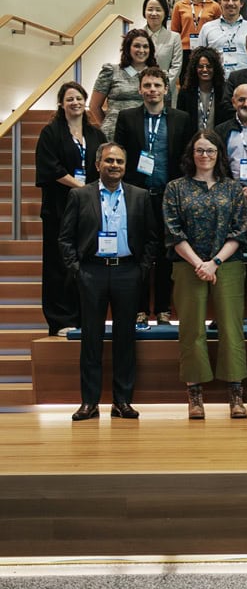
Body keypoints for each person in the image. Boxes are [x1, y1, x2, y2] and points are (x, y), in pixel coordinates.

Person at [59, 142, 159, 420]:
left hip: (128, 272)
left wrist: (142, 269)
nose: (114, 165)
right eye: (109, 161)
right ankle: (89, 403)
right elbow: (65, 238)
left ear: (125, 167)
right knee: (91, 339)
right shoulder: (80, 195)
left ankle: (122, 401)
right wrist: (77, 270)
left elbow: (152, 237)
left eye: (119, 162)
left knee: (125, 339)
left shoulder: (139, 196)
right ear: (97, 165)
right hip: (92, 272)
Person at [163, 129, 247, 419]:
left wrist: (213, 262)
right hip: (187, 264)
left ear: (219, 155)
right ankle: (195, 395)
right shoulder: (176, 188)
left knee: (231, 327)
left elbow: (240, 230)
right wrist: (198, 263)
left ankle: (236, 395)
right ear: (191, 154)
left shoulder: (233, 188)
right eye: (199, 150)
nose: (205, 156)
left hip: (227, 264)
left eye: (210, 151)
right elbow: (173, 231)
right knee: (191, 329)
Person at [114, 67, 194, 327]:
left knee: (165, 253)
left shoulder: (181, 118)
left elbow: (186, 159)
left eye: (157, 85)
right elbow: (120, 156)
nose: (152, 90)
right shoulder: (127, 118)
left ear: (165, 89)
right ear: (140, 90)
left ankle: (162, 308)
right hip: (137, 196)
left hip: (169, 196)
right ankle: (139, 308)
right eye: (147, 85)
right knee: (137, 251)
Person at [37, 82, 107, 336]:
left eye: (79, 98)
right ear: (61, 104)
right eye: (69, 99)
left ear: (85, 101)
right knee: (58, 265)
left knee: (85, 263)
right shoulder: (51, 133)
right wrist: (81, 186)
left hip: (88, 210)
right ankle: (59, 320)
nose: (75, 103)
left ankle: (82, 317)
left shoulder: (96, 134)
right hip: (59, 209)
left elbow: (106, 165)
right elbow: (51, 168)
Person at [90, 29, 156, 140]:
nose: (141, 50)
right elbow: (94, 106)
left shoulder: (158, 76)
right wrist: (109, 124)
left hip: (145, 134)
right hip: (114, 133)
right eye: (137, 46)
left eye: (145, 46)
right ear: (128, 48)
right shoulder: (111, 71)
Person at [198, 0, 247, 75]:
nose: (230, 3)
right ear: (219, 2)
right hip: (217, 80)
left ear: (241, 3)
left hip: (246, 81)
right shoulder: (207, 28)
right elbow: (199, 57)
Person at [175, 46, 231, 130]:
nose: (204, 70)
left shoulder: (224, 91)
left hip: (218, 140)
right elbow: (181, 123)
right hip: (193, 140)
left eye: (209, 66)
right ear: (194, 69)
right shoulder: (185, 93)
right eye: (200, 66)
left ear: (215, 68)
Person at [140, 0, 184, 85]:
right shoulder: (136, 37)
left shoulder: (174, 37)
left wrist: (162, 86)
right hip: (140, 90)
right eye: (150, 9)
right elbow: (129, 64)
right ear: (144, 12)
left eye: (158, 10)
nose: (154, 13)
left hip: (166, 90)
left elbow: (176, 66)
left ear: (165, 13)